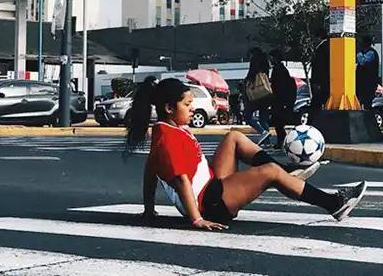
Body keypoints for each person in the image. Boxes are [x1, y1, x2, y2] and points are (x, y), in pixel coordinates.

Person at [124, 77, 367, 229]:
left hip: (213, 186)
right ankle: (333, 204)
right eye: (187, 105)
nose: (192, 109)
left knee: (234, 137)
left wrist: (148, 209)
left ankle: (288, 173)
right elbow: (182, 181)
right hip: (211, 203)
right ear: (169, 108)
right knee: (269, 172)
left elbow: (150, 172)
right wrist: (197, 219)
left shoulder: (168, 129)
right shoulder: (168, 137)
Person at [243, 47, 273, 146]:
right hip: (265, 95)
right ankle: (267, 141)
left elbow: (251, 77)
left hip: (256, 95)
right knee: (263, 118)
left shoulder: (255, 63)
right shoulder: (265, 65)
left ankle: (262, 132)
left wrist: (245, 82)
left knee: (247, 116)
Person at [268, 49, 296, 149]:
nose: (270, 60)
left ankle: (283, 142)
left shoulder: (278, 70)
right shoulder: (281, 69)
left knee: (278, 123)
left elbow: (280, 87)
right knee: (278, 123)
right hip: (280, 100)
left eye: (271, 57)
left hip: (279, 100)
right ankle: (282, 142)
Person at [308, 30, 329, 124]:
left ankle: (311, 124)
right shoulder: (326, 47)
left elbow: (320, 67)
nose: (313, 40)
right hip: (323, 83)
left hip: (321, 83)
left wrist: (317, 82)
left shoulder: (323, 48)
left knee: (315, 105)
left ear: (319, 37)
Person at [356, 34, 380, 109]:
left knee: (367, 103)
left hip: (368, 84)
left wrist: (358, 53)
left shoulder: (371, 53)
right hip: (362, 84)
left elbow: (363, 62)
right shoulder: (366, 52)